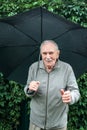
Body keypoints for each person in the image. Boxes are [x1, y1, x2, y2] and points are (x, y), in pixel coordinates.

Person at [24, 40, 80, 130]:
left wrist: (71, 96)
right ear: (41, 54)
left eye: (51, 53)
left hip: (58, 124)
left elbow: (75, 92)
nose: (48, 57)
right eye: (44, 53)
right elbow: (27, 88)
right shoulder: (34, 67)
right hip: (36, 123)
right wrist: (30, 89)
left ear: (57, 54)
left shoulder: (66, 68)